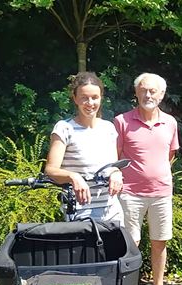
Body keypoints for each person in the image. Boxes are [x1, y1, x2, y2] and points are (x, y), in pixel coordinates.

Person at [114, 73, 180, 285]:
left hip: (161, 193)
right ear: (136, 93)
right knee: (130, 244)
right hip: (130, 193)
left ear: (162, 95)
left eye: (153, 91)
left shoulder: (170, 123)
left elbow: (170, 155)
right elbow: (116, 156)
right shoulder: (122, 121)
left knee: (160, 241)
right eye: (143, 90)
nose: (148, 94)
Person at [45, 71, 123, 222]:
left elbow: (113, 166)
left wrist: (116, 173)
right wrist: (73, 177)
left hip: (112, 209)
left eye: (95, 97)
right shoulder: (64, 128)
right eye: (84, 98)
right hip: (80, 211)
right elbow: (50, 170)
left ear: (101, 98)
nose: (90, 103)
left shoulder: (109, 128)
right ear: (75, 99)